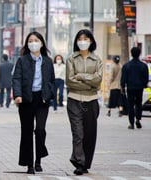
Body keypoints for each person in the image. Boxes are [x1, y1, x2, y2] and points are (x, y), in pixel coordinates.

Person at [12, 31, 55, 174]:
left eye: (36, 40)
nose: (33, 43)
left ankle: (39, 160)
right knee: (27, 132)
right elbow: (16, 78)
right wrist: (17, 95)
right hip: (26, 99)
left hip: (42, 100)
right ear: (27, 44)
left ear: (41, 43)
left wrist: (50, 94)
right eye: (30, 41)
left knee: (40, 130)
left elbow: (51, 80)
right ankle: (30, 164)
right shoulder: (22, 60)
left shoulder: (48, 61)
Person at [65, 29, 103, 175]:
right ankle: (79, 162)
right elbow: (70, 81)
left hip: (92, 101)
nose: (83, 41)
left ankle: (86, 163)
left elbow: (98, 80)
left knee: (90, 133)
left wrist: (79, 76)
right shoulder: (71, 59)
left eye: (86, 39)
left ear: (91, 41)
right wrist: (89, 81)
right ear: (76, 41)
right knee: (78, 133)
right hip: (74, 99)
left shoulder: (97, 60)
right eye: (80, 39)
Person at [121, 47, 148, 129]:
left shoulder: (127, 66)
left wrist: (122, 86)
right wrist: (144, 85)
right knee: (139, 104)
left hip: (130, 87)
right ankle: (138, 119)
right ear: (139, 54)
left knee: (130, 104)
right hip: (139, 88)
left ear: (131, 54)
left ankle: (131, 123)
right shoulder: (143, 66)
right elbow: (145, 78)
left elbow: (123, 78)